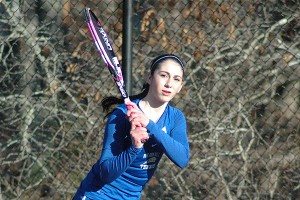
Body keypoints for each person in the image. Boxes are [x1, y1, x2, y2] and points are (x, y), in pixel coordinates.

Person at [73, 54, 190, 199]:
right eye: (164, 75)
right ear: (150, 78)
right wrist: (134, 148)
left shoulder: (175, 117)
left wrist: (149, 125)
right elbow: (105, 174)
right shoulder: (122, 115)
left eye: (176, 79)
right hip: (98, 194)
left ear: (180, 87)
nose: (169, 84)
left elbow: (182, 158)